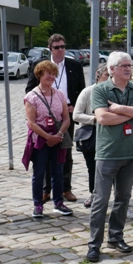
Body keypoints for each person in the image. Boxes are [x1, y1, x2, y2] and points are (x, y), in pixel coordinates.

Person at [87, 52, 133, 262]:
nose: (128, 69)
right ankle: (94, 244)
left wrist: (120, 109)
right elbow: (103, 118)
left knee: (123, 198)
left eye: (130, 66)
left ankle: (116, 237)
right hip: (108, 153)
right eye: (124, 66)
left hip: (131, 152)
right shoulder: (100, 89)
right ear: (112, 69)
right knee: (101, 200)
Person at [26, 34, 86, 203]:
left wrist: (75, 105)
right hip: (44, 117)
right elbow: (29, 89)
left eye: (63, 46)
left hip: (66, 114)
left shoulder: (74, 65)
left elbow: (82, 90)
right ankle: (46, 190)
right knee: (44, 153)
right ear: (50, 48)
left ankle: (66, 188)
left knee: (65, 153)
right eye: (57, 47)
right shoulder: (40, 66)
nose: (61, 50)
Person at [24, 60, 74, 220]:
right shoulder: (31, 97)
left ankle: (59, 203)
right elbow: (31, 122)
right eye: (48, 73)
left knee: (58, 172)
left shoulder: (59, 95)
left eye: (53, 74)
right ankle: (38, 204)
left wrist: (59, 134)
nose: (51, 77)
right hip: (40, 139)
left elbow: (66, 118)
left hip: (57, 138)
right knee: (39, 173)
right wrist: (48, 137)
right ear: (40, 74)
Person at [73, 63, 110, 208]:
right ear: (98, 76)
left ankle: (117, 198)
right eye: (107, 75)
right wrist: (94, 119)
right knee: (93, 167)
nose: (109, 79)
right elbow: (76, 115)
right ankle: (94, 194)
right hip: (92, 135)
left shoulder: (115, 92)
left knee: (113, 168)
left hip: (111, 135)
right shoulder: (88, 92)